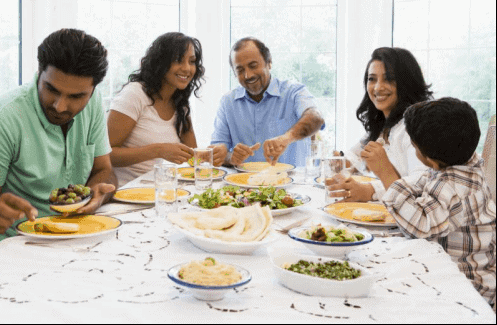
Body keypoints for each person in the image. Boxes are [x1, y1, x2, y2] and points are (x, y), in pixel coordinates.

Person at [0, 29, 117, 242]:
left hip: (77, 233)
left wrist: (95, 196)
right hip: (17, 242)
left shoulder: (93, 103)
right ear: (39, 72)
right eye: (51, 89)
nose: (60, 106)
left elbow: (104, 169)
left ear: (92, 90)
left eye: (76, 96)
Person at [380, 97, 496, 310]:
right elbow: (423, 180)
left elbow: (421, 227)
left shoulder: (450, 186)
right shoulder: (468, 166)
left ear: (430, 159)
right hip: (473, 276)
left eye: (414, 147)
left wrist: (389, 179)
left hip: (466, 288)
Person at [327, 47, 433, 202]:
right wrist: (340, 162)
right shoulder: (384, 123)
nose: (377, 87)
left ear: (407, 82)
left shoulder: (417, 126)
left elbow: (421, 186)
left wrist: (369, 191)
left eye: (389, 79)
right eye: (372, 79)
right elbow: (355, 155)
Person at [108, 32, 211, 185]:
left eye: (192, 61)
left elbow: (192, 158)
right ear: (160, 62)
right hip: (127, 193)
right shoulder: (135, 94)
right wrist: (158, 150)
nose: (187, 68)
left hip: (163, 191)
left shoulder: (180, 103)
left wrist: (214, 153)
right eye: (178, 60)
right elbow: (105, 155)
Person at [211, 37, 325, 167]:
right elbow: (216, 153)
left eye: (253, 66)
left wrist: (285, 138)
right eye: (240, 70)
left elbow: (316, 118)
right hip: (243, 184)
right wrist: (231, 157)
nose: (248, 75)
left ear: (269, 63)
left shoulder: (293, 92)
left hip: (293, 184)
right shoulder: (227, 102)